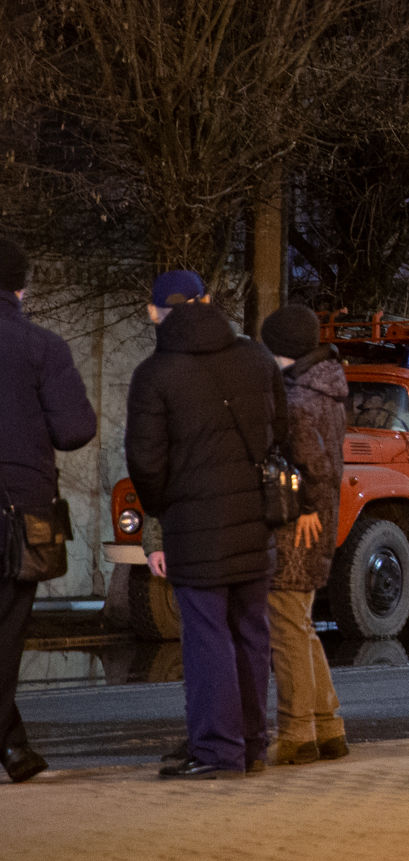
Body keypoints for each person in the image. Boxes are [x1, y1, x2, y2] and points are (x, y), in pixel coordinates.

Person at [127, 271, 290, 779]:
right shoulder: (257, 358)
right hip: (253, 521)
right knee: (250, 631)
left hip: (194, 524)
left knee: (206, 638)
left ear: (157, 312)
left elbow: (146, 461)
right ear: (209, 301)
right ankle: (251, 745)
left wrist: (162, 509)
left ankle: (218, 750)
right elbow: (280, 433)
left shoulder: (156, 374)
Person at [1, 234, 99, 784]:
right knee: (8, 634)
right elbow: (76, 428)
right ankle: (13, 750)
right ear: (20, 286)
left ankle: (15, 749)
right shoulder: (42, 347)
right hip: (21, 515)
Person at [259, 305, 349, 766]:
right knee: (302, 624)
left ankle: (298, 732)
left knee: (286, 625)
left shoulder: (297, 400)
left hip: (298, 524)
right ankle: (328, 724)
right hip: (319, 520)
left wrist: (309, 506)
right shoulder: (329, 389)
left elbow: (313, 463)